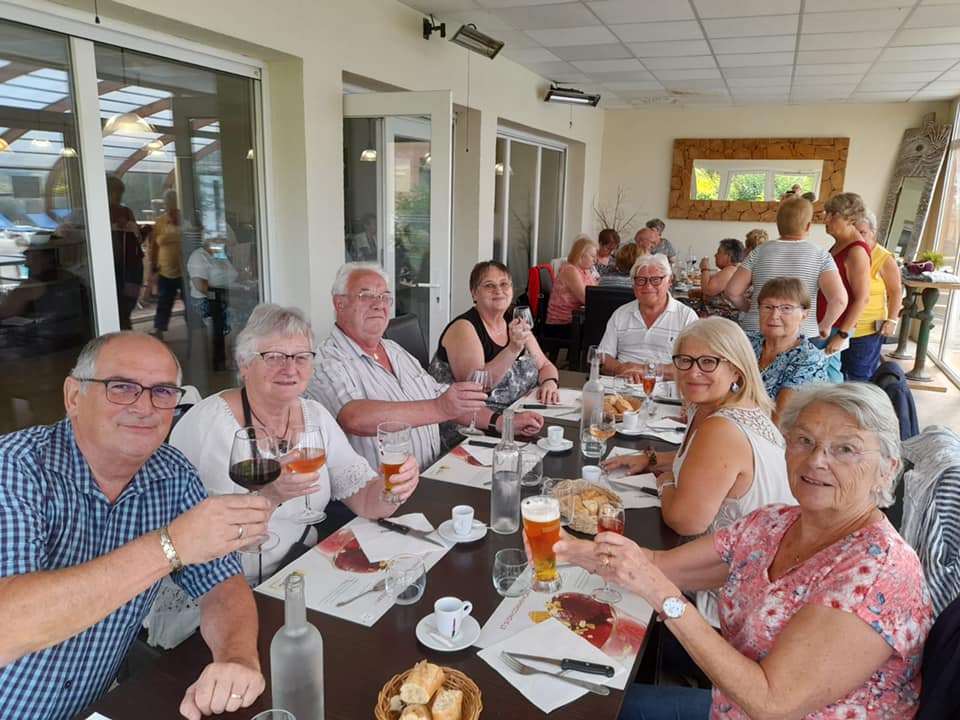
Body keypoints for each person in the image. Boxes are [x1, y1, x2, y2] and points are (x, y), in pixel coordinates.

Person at [556, 382, 933, 719]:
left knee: (593, 706)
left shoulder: (878, 573)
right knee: (583, 679)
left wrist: (664, 597)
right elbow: (659, 565)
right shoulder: (775, 523)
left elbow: (771, 703)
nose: (816, 460)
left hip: (758, 705)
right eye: (804, 440)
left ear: (887, 470)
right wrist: (571, 550)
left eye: (845, 449)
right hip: (729, 701)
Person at [0, 332, 272, 720]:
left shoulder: (172, 474)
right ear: (74, 396)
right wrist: (170, 545)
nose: (145, 407)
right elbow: (7, 629)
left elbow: (222, 583)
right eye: (122, 387)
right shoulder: (14, 469)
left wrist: (237, 658)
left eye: (162, 392)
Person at [603, 317, 793, 626]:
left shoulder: (721, 428)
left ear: (736, 368)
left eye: (708, 362)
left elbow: (685, 520)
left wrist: (665, 482)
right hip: (732, 567)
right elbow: (705, 464)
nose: (693, 372)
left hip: (729, 598)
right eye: (685, 360)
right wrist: (651, 459)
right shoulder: (726, 406)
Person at [307, 263, 540, 470]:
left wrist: (502, 422)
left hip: (435, 471)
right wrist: (440, 408)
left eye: (385, 297)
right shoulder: (327, 361)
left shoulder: (393, 349)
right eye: (366, 296)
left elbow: (440, 395)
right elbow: (354, 417)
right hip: (383, 490)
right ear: (340, 303)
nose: (378, 305)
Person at [428, 261, 558, 412]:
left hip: (520, 410)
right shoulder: (463, 329)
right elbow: (476, 386)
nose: (498, 290)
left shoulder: (514, 323)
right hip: (477, 419)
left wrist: (549, 383)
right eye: (489, 285)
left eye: (504, 284)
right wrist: (513, 349)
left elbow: (545, 365)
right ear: (474, 293)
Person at [725, 197, 847, 340]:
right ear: (808, 226)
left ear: (778, 224)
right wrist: (826, 325)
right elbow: (839, 300)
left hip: (757, 330)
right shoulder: (821, 256)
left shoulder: (758, 252)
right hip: (800, 333)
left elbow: (732, 292)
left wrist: (752, 308)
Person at [597, 253, 698, 381]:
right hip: (623, 385)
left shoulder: (686, 317)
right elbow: (603, 355)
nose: (648, 286)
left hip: (666, 389)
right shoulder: (621, 314)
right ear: (633, 284)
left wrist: (646, 370)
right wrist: (620, 368)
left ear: (669, 281)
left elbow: (693, 366)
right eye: (641, 280)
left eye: (656, 280)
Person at [748, 277, 829, 423]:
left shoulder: (809, 359)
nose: (774, 316)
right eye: (768, 307)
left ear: (804, 315)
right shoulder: (746, 342)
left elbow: (781, 419)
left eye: (786, 308)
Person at [816, 192, 871, 381]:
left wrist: (842, 334)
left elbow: (862, 298)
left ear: (850, 218)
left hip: (836, 325)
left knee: (828, 375)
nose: (826, 219)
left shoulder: (856, 251)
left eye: (833, 215)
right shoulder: (839, 245)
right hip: (826, 322)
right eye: (827, 213)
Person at [843, 210, 902, 382]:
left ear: (872, 232)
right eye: (854, 232)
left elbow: (895, 291)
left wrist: (892, 320)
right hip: (842, 326)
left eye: (863, 232)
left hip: (867, 329)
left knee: (859, 377)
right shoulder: (845, 251)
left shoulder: (883, 257)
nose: (858, 237)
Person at [107, 175, 143, 330]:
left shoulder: (126, 211)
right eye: (116, 192)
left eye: (120, 192)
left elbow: (138, 238)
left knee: (129, 301)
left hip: (131, 265)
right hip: (115, 265)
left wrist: (135, 230)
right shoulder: (98, 212)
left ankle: (125, 326)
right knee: (119, 302)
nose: (119, 196)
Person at [544, 236, 598, 338]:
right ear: (580, 255)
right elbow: (587, 299)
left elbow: (595, 292)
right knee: (600, 330)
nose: (595, 260)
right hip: (561, 324)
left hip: (576, 320)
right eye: (592, 256)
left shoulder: (585, 270)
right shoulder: (570, 270)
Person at [150, 189, 185, 340]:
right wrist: (153, 265)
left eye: (171, 201)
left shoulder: (185, 219)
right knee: (164, 300)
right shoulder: (160, 222)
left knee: (190, 302)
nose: (168, 204)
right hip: (165, 268)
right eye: (167, 201)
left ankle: (196, 328)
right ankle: (158, 328)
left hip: (184, 269)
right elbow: (153, 246)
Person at [689, 238, 743, 320]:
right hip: (720, 313)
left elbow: (708, 290)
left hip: (720, 316)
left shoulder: (730, 270)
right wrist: (700, 293)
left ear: (728, 256)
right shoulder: (736, 269)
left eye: (719, 252)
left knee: (681, 309)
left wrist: (705, 269)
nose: (715, 255)